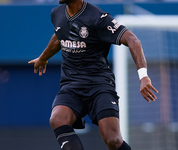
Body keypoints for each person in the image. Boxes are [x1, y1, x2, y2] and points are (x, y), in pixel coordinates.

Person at [28, 0, 158, 149]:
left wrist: (143, 76)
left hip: (99, 85)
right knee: (57, 118)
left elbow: (132, 39)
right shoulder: (56, 13)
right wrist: (43, 57)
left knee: (113, 140)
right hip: (71, 85)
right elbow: (59, 36)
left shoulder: (98, 17)